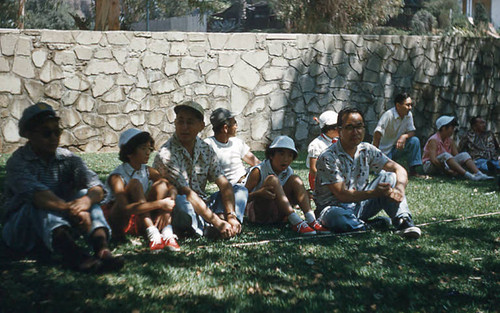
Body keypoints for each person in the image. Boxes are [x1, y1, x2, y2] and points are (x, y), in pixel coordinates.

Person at [1, 102, 123, 272]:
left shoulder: (68, 159)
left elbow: (97, 186)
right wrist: (73, 210)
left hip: (61, 226)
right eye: (46, 133)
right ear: (28, 134)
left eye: (56, 132)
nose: (53, 138)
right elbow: (38, 195)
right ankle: (74, 256)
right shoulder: (18, 162)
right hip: (22, 231)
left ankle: (101, 249)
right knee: (39, 203)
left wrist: (87, 200)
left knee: (84, 193)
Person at [314, 107, 422, 239]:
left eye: (359, 126)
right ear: (339, 131)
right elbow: (342, 195)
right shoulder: (328, 157)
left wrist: (399, 189)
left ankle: (403, 221)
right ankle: (366, 226)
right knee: (337, 216)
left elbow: (399, 169)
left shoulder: (367, 150)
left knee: (390, 177)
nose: (355, 132)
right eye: (349, 127)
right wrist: (374, 193)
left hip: (360, 205)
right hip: (332, 209)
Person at [153, 101, 241, 239]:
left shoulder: (206, 149)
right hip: (180, 204)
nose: (184, 127)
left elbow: (224, 184)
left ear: (201, 126)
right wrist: (217, 222)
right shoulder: (166, 154)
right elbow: (187, 193)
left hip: (203, 204)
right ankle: (206, 228)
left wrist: (232, 215)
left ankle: (229, 223)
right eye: (180, 121)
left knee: (239, 190)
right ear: (175, 123)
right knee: (182, 204)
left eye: (190, 122)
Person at [104, 128, 179, 251]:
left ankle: (166, 233)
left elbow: (171, 187)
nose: (148, 152)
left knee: (161, 184)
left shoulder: (146, 170)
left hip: (140, 218)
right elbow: (125, 209)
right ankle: (153, 234)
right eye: (143, 148)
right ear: (129, 152)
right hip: (120, 220)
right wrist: (160, 204)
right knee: (135, 184)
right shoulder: (117, 177)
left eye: (149, 149)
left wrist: (167, 207)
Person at [245, 135, 329, 235]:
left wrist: (301, 196)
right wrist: (259, 193)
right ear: (271, 155)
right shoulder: (258, 171)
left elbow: (286, 197)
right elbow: (240, 199)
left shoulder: (288, 172)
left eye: (290, 155)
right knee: (272, 180)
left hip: (279, 215)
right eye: (281, 154)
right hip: (259, 214)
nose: (286, 159)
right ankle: (296, 222)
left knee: (295, 179)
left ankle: (311, 220)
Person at [422, 116, 493, 180]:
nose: (453, 130)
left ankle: (479, 174)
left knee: (464, 154)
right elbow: (434, 160)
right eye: (451, 128)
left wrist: (456, 167)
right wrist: (446, 170)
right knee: (445, 155)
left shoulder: (450, 140)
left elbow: (457, 156)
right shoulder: (433, 140)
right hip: (430, 166)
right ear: (443, 128)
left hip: (444, 164)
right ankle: (469, 176)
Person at [204, 107, 260, 185]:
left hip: (248, 178)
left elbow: (256, 163)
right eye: (234, 123)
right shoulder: (208, 145)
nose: (236, 126)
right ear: (225, 128)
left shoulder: (236, 142)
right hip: (234, 187)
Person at [372, 93, 423, 177]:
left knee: (414, 141)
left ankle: (413, 171)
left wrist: (404, 136)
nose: (410, 108)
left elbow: (412, 131)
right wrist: (375, 155)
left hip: (396, 148)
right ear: (398, 105)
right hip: (383, 152)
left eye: (411, 105)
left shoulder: (408, 115)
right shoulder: (388, 115)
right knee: (384, 174)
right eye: (407, 105)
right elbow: (377, 134)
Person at [307, 110, 339, 190]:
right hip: (320, 181)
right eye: (335, 127)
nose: (339, 129)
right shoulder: (316, 145)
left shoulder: (338, 142)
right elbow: (313, 169)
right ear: (327, 128)